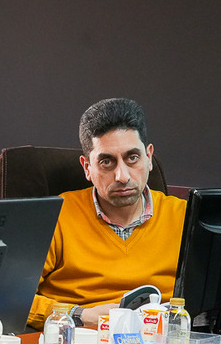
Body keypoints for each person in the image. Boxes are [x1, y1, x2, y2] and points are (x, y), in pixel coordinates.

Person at [28, 98, 187, 330]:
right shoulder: (55, 215)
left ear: (149, 157)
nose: (122, 176)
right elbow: (9, 297)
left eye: (132, 158)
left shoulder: (183, 215)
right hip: (79, 340)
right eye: (106, 162)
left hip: (166, 340)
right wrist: (78, 315)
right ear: (87, 167)